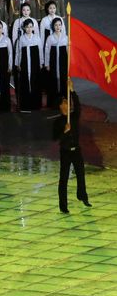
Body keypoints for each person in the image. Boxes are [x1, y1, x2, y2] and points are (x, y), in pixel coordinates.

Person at [53, 85, 90, 213]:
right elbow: (55, 137)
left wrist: (72, 90)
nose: (67, 104)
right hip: (65, 152)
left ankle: (82, 196)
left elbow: (78, 105)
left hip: (76, 150)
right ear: (60, 106)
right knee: (64, 179)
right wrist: (65, 131)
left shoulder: (74, 116)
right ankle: (63, 206)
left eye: (68, 102)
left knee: (81, 174)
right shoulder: (58, 122)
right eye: (65, 102)